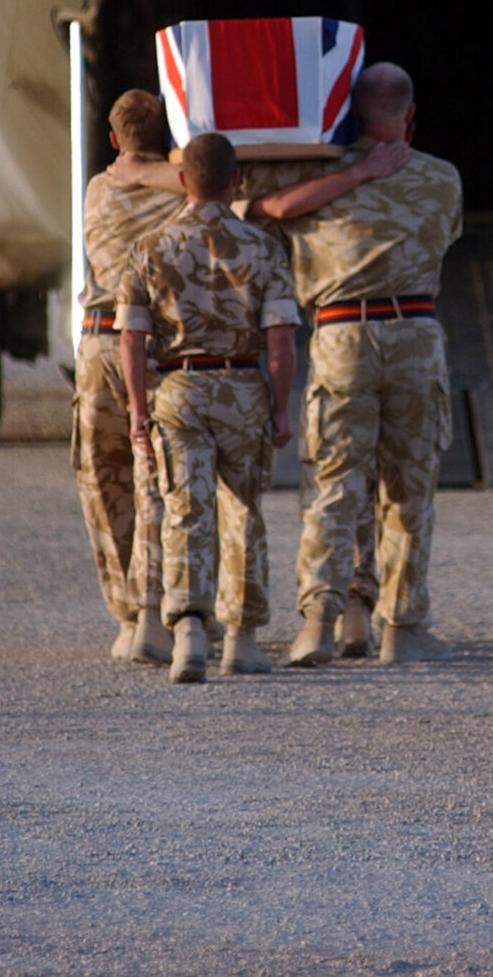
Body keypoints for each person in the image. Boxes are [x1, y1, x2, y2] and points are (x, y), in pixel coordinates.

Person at [246, 63, 462, 669]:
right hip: (415, 332)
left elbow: (256, 208)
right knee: (409, 484)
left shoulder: (316, 180)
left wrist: (348, 172)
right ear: (410, 116)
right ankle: (403, 626)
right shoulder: (442, 178)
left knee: (334, 483)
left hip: (341, 335)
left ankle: (318, 621)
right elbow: (443, 237)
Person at [118, 132, 299, 684]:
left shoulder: (149, 246)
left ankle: (189, 630)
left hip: (177, 390)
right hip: (243, 386)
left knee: (184, 508)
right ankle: (241, 639)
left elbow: (131, 339)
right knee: (243, 510)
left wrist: (136, 409)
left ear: (182, 181)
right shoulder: (264, 247)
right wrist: (281, 408)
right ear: (235, 181)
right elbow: (281, 341)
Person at [75, 89, 183, 664]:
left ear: (114, 139)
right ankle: (160, 609)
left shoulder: (98, 185)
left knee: (105, 477)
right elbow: (207, 184)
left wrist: (139, 165)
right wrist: (162, 166)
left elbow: (126, 176)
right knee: (160, 479)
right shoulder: (177, 188)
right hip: (158, 349)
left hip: (98, 343)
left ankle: (131, 614)